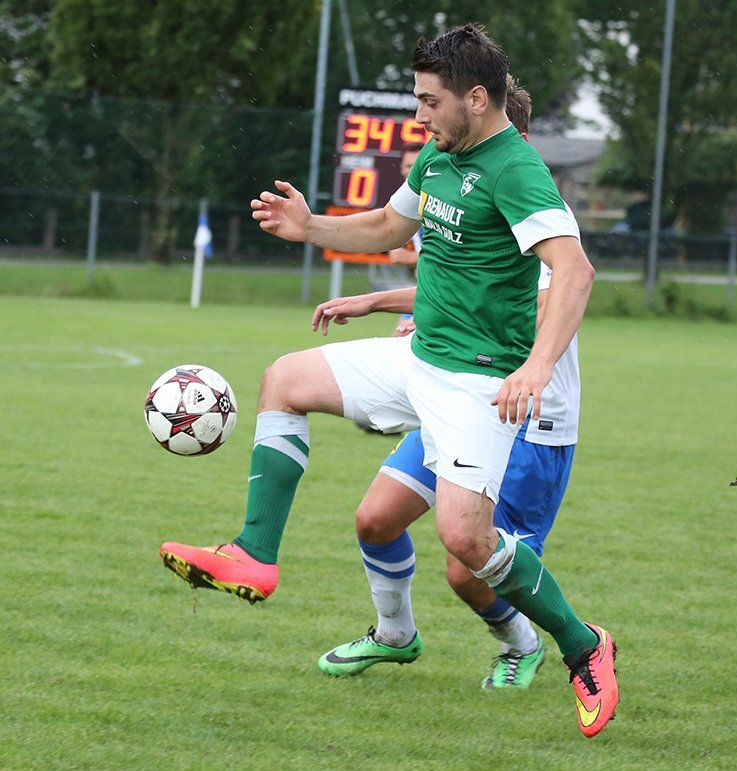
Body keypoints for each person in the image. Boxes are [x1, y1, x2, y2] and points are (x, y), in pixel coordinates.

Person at [160, 25, 618, 737]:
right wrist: (311, 227)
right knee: (284, 379)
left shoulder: (516, 169)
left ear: (476, 97)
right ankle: (253, 553)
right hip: (419, 359)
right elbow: (383, 225)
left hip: (474, 383)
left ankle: (583, 645)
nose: (418, 115)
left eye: (429, 101)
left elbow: (576, 271)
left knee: (465, 542)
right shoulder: (440, 156)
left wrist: (536, 366)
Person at [317, 78, 582, 691]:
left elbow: (533, 308)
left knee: (467, 568)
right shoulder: (468, 182)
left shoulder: (536, 210)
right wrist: (379, 302)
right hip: (458, 394)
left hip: (529, 421)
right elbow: (459, 291)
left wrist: (442, 322)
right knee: (375, 519)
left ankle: (523, 645)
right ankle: (394, 635)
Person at [387, 142, 425, 269]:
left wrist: (411, 258)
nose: (413, 171)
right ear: (402, 169)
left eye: (418, 165)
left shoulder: (440, 200)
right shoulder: (409, 203)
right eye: (409, 166)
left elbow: (453, 254)